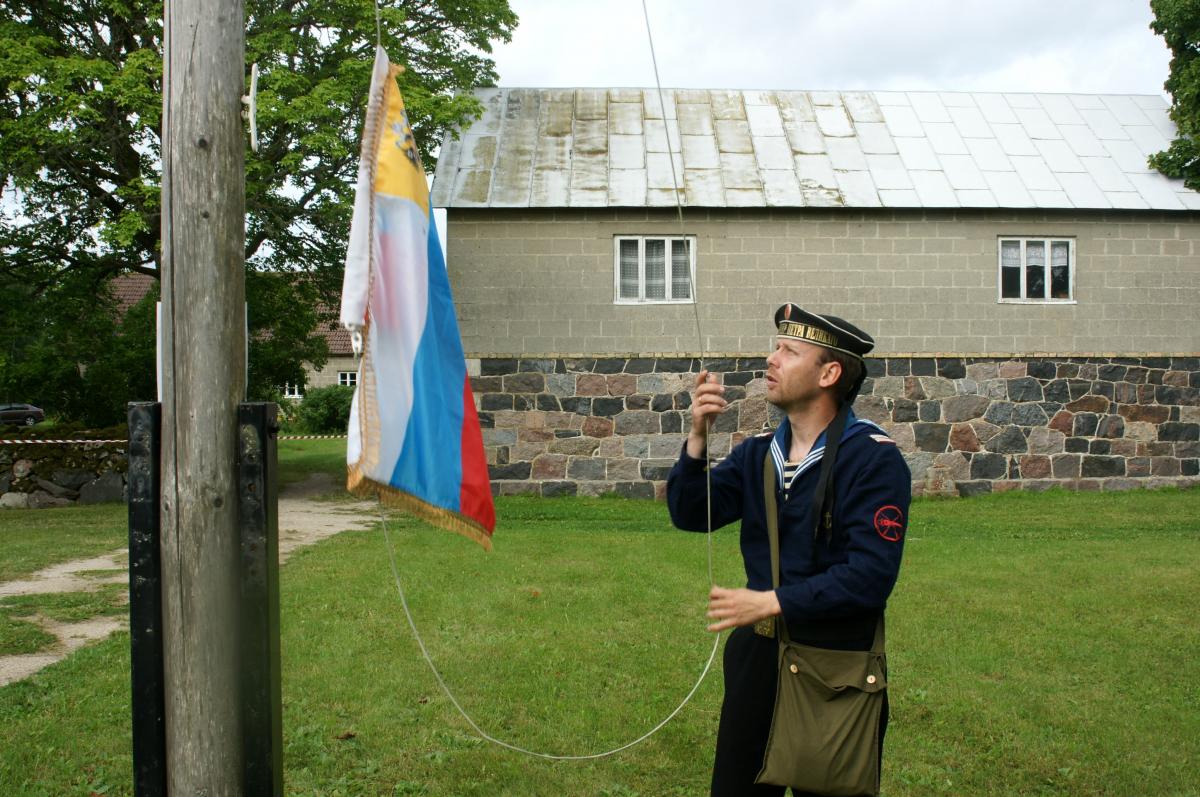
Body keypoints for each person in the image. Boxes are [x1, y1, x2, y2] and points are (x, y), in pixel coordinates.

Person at [667, 303, 910, 796]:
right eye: (775, 347)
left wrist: (772, 601)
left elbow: (870, 576)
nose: (771, 361)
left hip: (833, 667)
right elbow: (692, 512)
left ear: (829, 373)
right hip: (756, 660)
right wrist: (697, 437)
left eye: (789, 351)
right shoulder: (759, 454)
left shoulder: (873, 460)